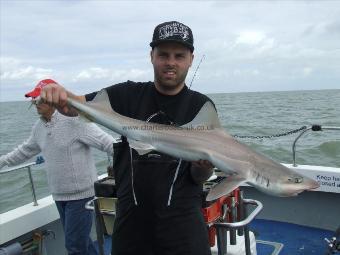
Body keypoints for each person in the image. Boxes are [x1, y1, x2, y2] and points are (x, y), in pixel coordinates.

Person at [40, 21, 215, 255]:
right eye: (163, 54)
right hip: (131, 227)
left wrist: (204, 167)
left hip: (183, 229)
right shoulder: (126, 94)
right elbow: (76, 107)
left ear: (191, 58)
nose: (171, 62)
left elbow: (200, 176)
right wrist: (59, 93)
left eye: (179, 55)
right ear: (151, 56)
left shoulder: (202, 107)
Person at [0, 79, 117, 255]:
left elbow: (109, 144)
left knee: (74, 246)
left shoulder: (75, 122)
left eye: (38, 99)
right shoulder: (39, 128)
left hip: (81, 197)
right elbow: (24, 151)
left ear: (53, 101)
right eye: (33, 100)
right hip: (59, 196)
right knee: (82, 243)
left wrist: (129, 165)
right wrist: (1, 161)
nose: (35, 103)